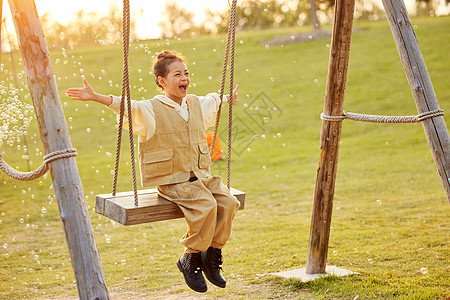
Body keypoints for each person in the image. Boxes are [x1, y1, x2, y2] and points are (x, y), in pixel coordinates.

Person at [66, 50, 240, 293]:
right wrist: (97, 97)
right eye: (177, 74)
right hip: (172, 179)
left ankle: (212, 255)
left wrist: (226, 98)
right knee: (206, 207)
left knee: (229, 202)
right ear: (162, 81)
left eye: (186, 73)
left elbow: (213, 99)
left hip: (200, 175)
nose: (184, 78)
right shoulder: (150, 109)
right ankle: (190, 259)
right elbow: (127, 106)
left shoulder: (195, 103)